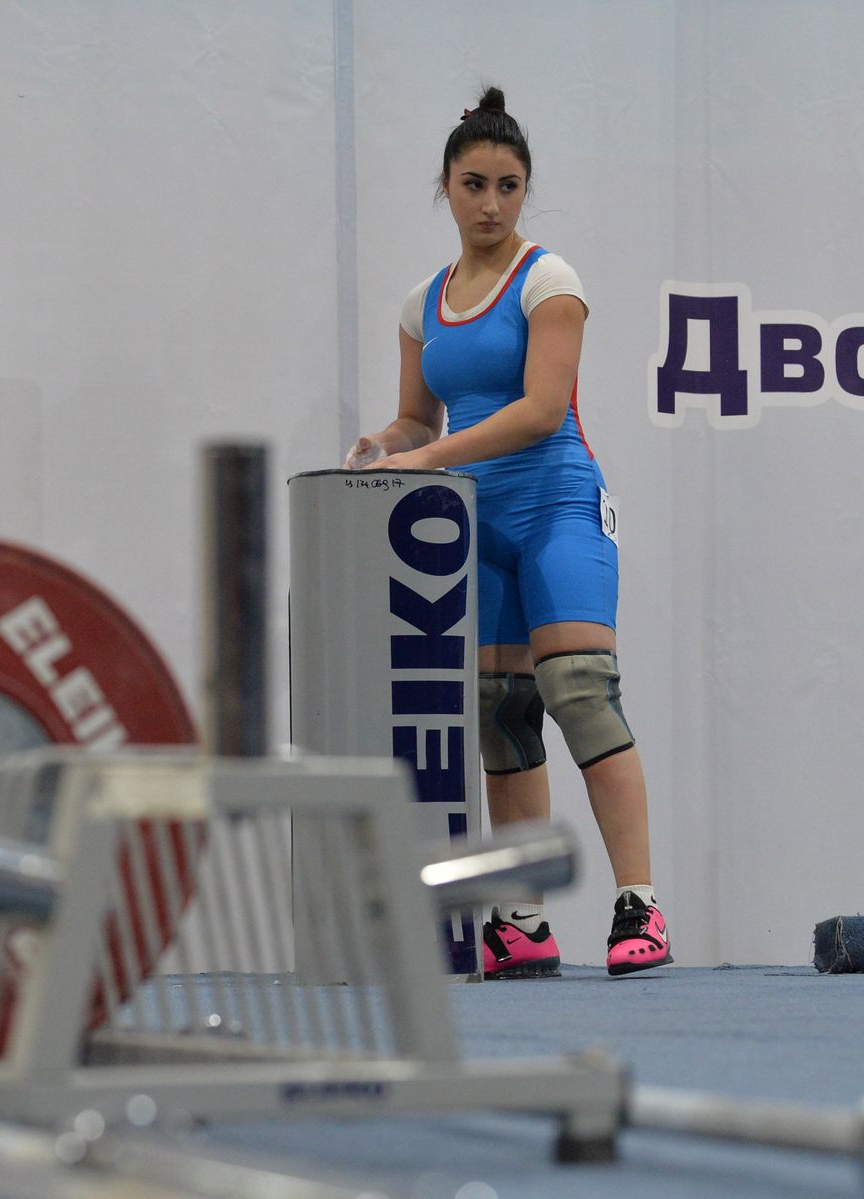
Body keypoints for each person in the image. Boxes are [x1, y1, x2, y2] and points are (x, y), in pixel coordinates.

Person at [343, 87, 670, 979]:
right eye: (474, 185)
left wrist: (429, 454)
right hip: (475, 521)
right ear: (445, 187)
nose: (491, 204)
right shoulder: (421, 305)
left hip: (557, 503)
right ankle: (521, 919)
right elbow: (420, 419)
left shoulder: (550, 280)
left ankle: (639, 904)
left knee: (580, 690)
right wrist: (387, 443)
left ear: (526, 190)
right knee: (498, 711)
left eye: (509, 186)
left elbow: (538, 412)